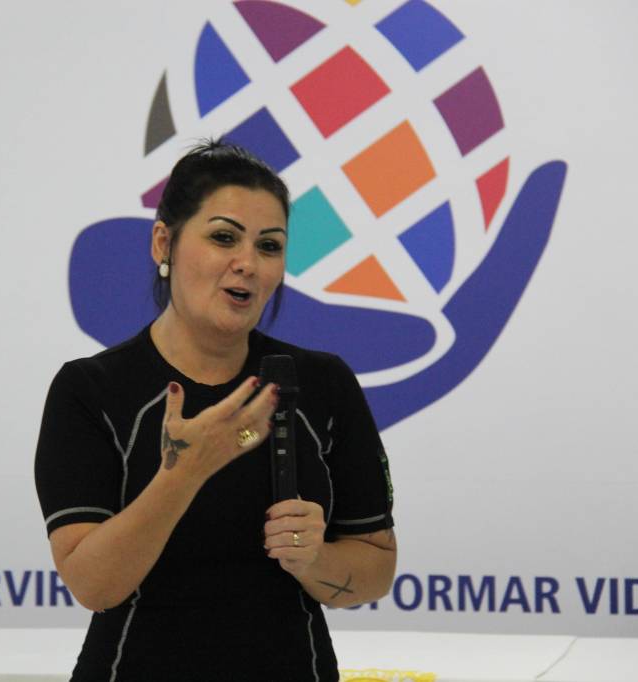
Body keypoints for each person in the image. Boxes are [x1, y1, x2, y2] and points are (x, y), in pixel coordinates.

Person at [34, 140, 397, 681]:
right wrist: (184, 474)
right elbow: (93, 586)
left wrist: (315, 559)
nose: (247, 264)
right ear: (164, 242)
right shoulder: (91, 389)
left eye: (269, 246)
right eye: (224, 237)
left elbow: (376, 569)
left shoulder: (323, 384)